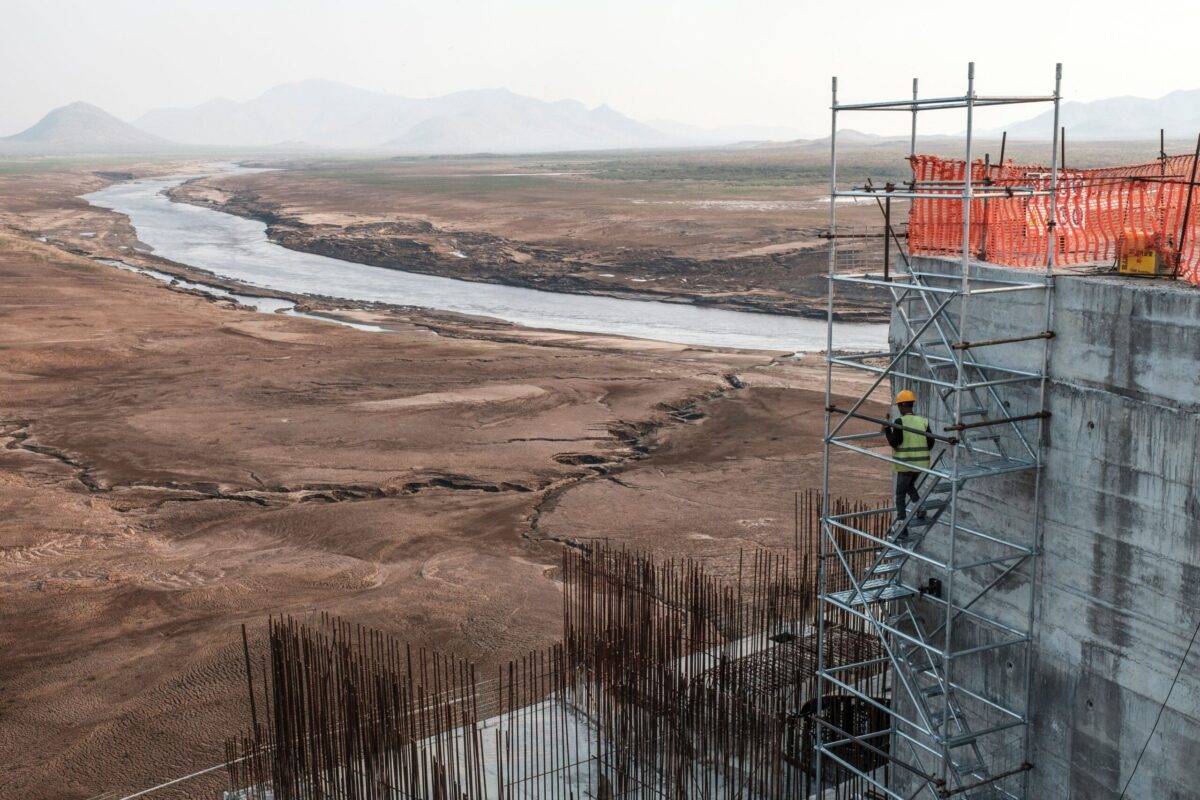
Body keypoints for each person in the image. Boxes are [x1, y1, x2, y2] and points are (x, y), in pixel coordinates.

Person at [882, 389, 934, 524]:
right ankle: (920, 507)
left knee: (900, 494)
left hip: (906, 464)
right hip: (922, 463)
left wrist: (887, 429)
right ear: (911, 404)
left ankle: (901, 521)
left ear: (901, 406)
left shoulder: (900, 421)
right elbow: (931, 442)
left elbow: (894, 443)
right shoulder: (923, 421)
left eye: (899, 406)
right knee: (910, 485)